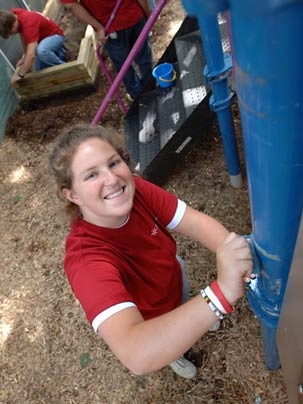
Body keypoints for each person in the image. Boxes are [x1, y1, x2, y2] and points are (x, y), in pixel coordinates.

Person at [49, 123, 253, 379]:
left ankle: (197, 315)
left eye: (113, 163)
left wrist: (237, 255)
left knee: (184, 299)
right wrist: (219, 295)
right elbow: (138, 353)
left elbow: (196, 223)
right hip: (149, 317)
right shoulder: (86, 260)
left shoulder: (135, 190)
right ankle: (175, 354)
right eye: (91, 175)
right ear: (72, 195)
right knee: (170, 340)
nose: (112, 180)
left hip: (172, 276)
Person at [59, 0, 153, 100]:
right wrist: (147, 14)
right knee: (143, 56)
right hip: (133, 16)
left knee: (124, 64)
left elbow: (72, 5)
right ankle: (150, 85)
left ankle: (137, 93)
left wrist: (98, 27)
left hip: (110, 26)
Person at [0, 8, 66, 83]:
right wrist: (25, 56)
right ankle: (60, 53)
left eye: (10, 33)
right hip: (43, 40)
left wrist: (21, 75)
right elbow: (23, 36)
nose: (11, 35)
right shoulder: (14, 14)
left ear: (13, 25)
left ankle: (65, 68)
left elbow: (31, 55)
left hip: (56, 36)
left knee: (42, 51)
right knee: (39, 70)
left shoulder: (28, 24)